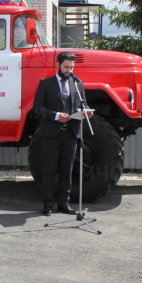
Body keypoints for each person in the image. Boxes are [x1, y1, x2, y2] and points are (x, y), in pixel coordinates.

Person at [32, 51, 93, 216]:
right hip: (51, 134)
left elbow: (83, 104)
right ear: (57, 65)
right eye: (66, 67)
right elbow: (37, 109)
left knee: (67, 170)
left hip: (71, 133)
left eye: (72, 67)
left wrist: (86, 112)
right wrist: (57, 116)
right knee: (49, 170)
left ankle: (64, 204)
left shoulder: (77, 84)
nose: (69, 70)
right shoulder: (45, 83)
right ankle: (48, 204)